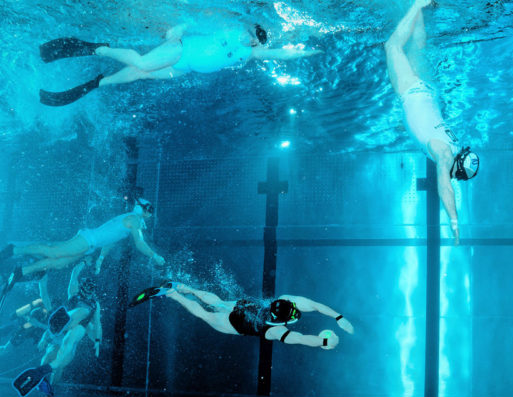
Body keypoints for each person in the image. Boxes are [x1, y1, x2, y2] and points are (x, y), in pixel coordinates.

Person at [38, 23, 322, 106]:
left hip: (182, 67)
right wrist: (178, 29)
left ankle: (95, 83)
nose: (252, 39)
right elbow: (203, 16)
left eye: (258, 39)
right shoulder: (233, 29)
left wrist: (309, 52)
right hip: (180, 49)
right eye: (254, 33)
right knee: (141, 62)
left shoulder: (250, 54)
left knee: (139, 74)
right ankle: (95, 47)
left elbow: (284, 54)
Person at [385, 0, 479, 244]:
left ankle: (420, 6)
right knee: (392, 46)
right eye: (455, 175)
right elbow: (445, 187)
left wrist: (401, 124)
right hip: (412, 90)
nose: (452, 177)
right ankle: (416, 4)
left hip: (429, 90)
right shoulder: (445, 155)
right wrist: (454, 222)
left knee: (418, 45)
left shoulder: (455, 144)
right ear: (456, 168)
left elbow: (426, 123)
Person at [0, 198, 163, 312]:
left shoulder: (131, 220)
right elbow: (140, 243)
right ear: (143, 209)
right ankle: (13, 249)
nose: (150, 214)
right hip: (87, 240)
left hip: (90, 245)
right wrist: (154, 256)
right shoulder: (134, 219)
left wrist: (100, 259)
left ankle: (21, 271)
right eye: (150, 210)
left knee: (58, 263)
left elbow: (110, 240)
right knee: (54, 252)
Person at [129, 282, 354, 349]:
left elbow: (314, 305)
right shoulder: (276, 331)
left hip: (243, 306)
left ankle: (184, 288)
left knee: (216, 301)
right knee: (206, 316)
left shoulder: (286, 298)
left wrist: (339, 317)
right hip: (234, 324)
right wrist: (326, 340)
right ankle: (173, 295)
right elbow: (303, 339)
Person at [12, 260, 102, 397]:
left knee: (58, 365)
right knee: (47, 359)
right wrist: (82, 263)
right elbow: (73, 276)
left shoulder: (93, 305)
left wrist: (97, 341)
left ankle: (50, 389)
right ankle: (45, 384)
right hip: (59, 334)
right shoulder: (74, 295)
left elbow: (98, 325)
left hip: (71, 335)